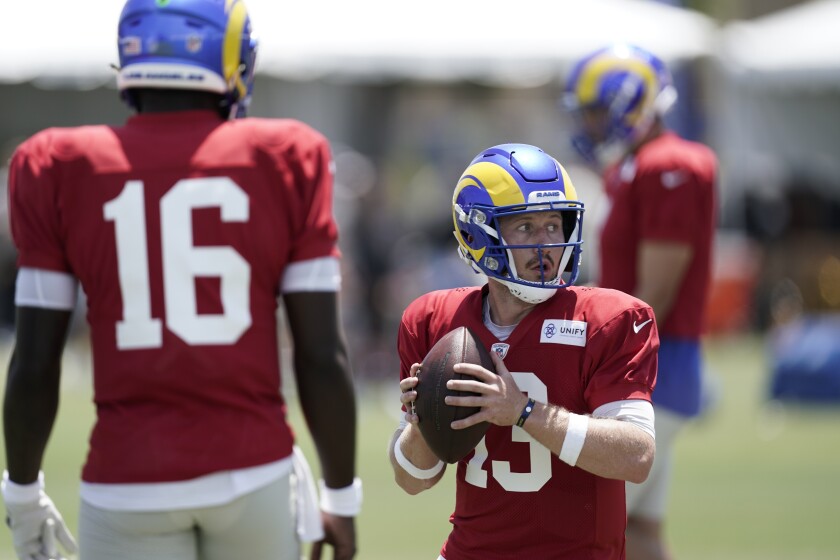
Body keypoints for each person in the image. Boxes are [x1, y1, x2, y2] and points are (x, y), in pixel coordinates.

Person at [2, 1, 360, 559]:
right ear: (230, 56)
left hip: (126, 477)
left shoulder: (55, 163)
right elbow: (319, 355)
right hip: (253, 470)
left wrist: (21, 492)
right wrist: (342, 494)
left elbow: (34, 360)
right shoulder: (288, 154)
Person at [389, 143, 659, 559]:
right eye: (526, 227)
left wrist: (523, 411)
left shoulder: (608, 319)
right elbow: (413, 480)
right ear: (479, 234)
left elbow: (636, 457)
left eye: (554, 224)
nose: (546, 243)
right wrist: (421, 420)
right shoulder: (434, 321)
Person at [564, 44, 718, 560]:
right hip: (651, 367)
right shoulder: (634, 167)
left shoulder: (667, 165)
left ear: (628, 103)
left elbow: (654, 295)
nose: (588, 124)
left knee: (578, 530)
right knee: (643, 534)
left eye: (595, 111)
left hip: (652, 368)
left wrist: (592, 359)